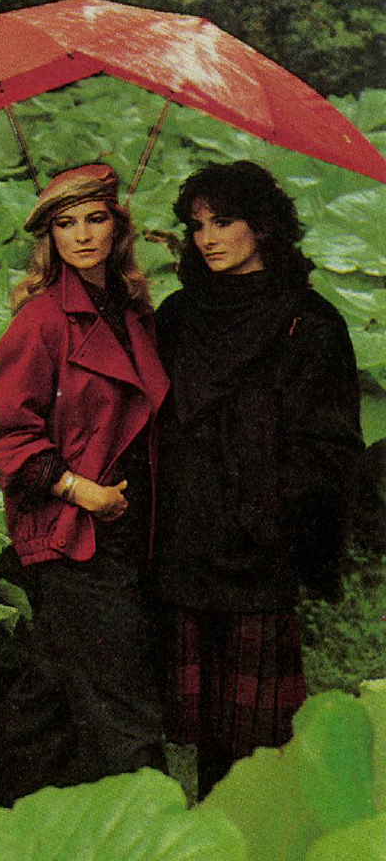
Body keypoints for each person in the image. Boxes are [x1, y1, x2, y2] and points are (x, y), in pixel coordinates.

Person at [153, 160, 363, 795]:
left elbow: (331, 448)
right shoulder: (180, 315)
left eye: (224, 221)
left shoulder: (309, 321)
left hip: (256, 550)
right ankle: (208, 842)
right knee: (202, 723)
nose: (208, 238)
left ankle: (255, 843)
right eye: (196, 226)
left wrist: (268, 519)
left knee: (256, 736)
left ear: (264, 226)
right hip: (185, 539)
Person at [0, 163, 171, 805]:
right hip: (72, 531)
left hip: (130, 525)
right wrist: (79, 490)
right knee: (123, 694)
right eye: (65, 223)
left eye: (95, 218)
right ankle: (157, 835)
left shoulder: (131, 313)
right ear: (48, 237)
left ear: (119, 227)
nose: (81, 235)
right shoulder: (41, 322)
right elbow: (5, 434)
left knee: (54, 686)